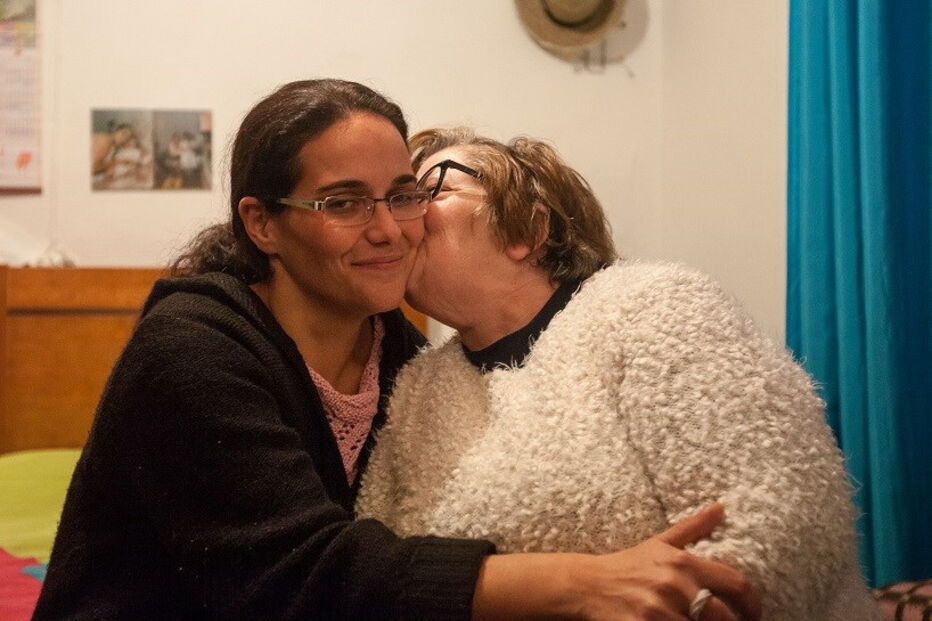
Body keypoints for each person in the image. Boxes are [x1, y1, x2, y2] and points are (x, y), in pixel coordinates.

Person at [34, 80, 759, 621]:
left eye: (403, 194)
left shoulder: (402, 359)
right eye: (343, 203)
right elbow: (301, 572)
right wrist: (585, 580)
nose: (388, 229)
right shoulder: (192, 349)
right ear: (262, 223)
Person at [356, 128, 882, 621]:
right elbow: (381, 565)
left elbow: (780, 519)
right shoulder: (418, 386)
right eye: (403, 198)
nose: (405, 217)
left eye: (429, 189)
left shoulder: (655, 308)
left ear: (527, 230)